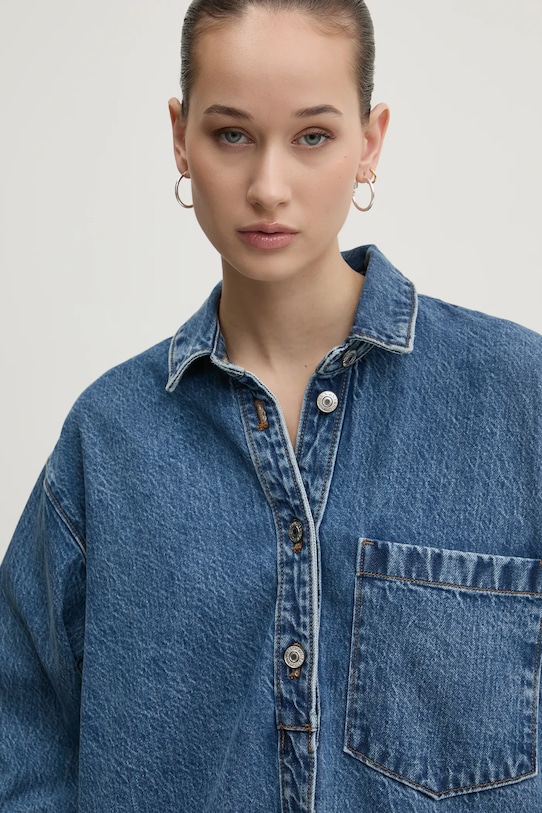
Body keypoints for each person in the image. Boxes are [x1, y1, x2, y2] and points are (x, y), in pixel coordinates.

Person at [1, 0, 541, 810]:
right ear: (180, 137)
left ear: (371, 141)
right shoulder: (108, 440)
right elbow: (21, 748)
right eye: (232, 135)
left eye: (313, 136)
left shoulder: (519, 399)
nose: (268, 187)